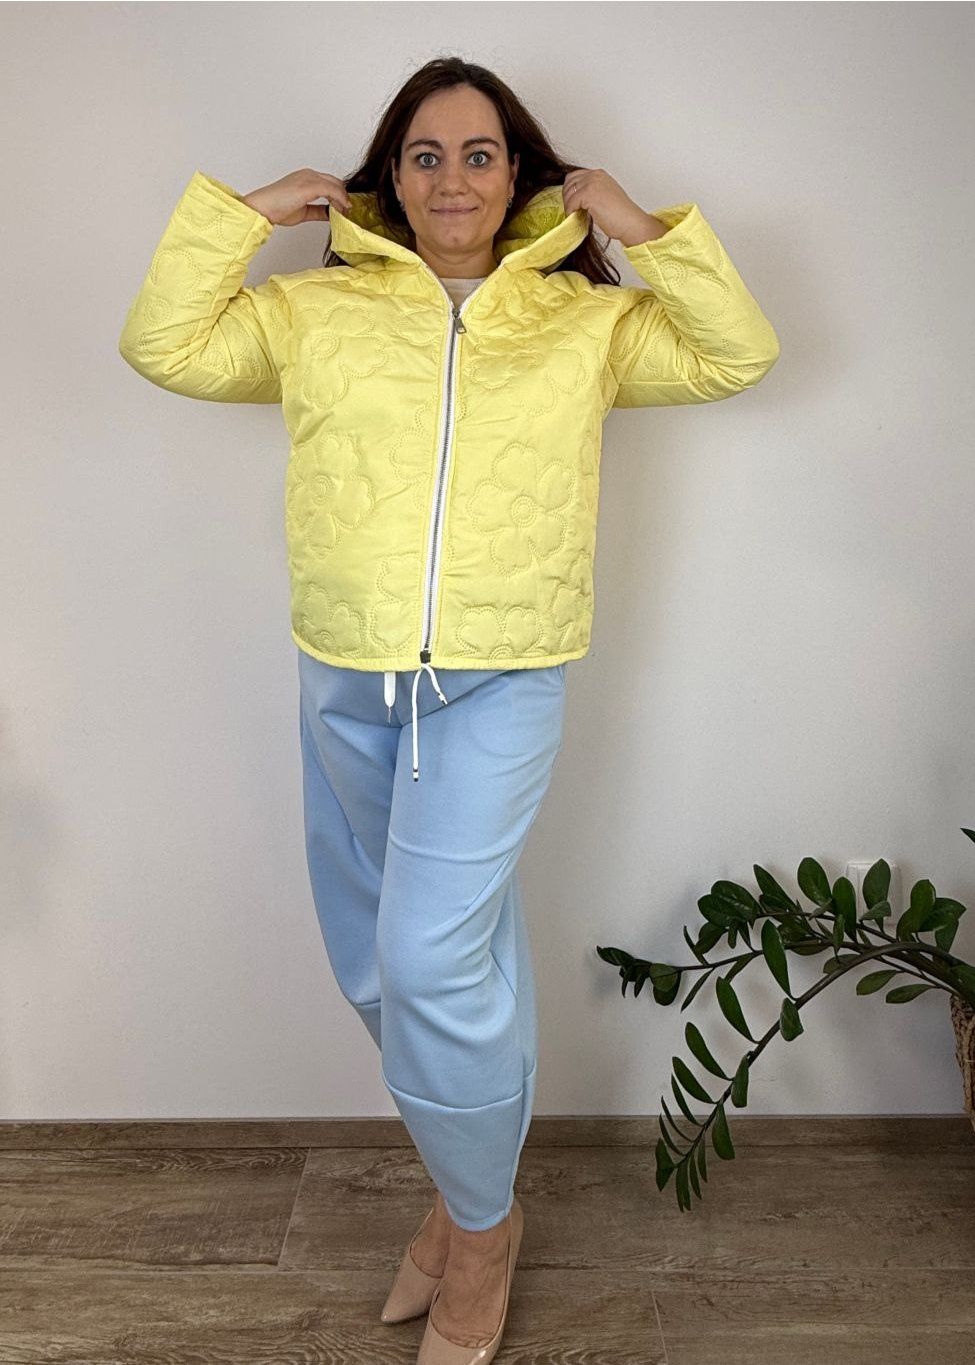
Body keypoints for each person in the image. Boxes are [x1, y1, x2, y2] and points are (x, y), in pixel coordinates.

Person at [118, 53, 780, 1365]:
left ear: (520, 173)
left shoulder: (584, 325)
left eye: (480, 153)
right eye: (426, 154)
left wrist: (643, 228)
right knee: (381, 964)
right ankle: (466, 1183)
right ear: (392, 177)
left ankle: (481, 1232)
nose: (453, 178)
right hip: (345, 669)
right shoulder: (319, 312)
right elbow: (165, 345)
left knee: (431, 958)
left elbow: (737, 353)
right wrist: (247, 213)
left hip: (502, 673)